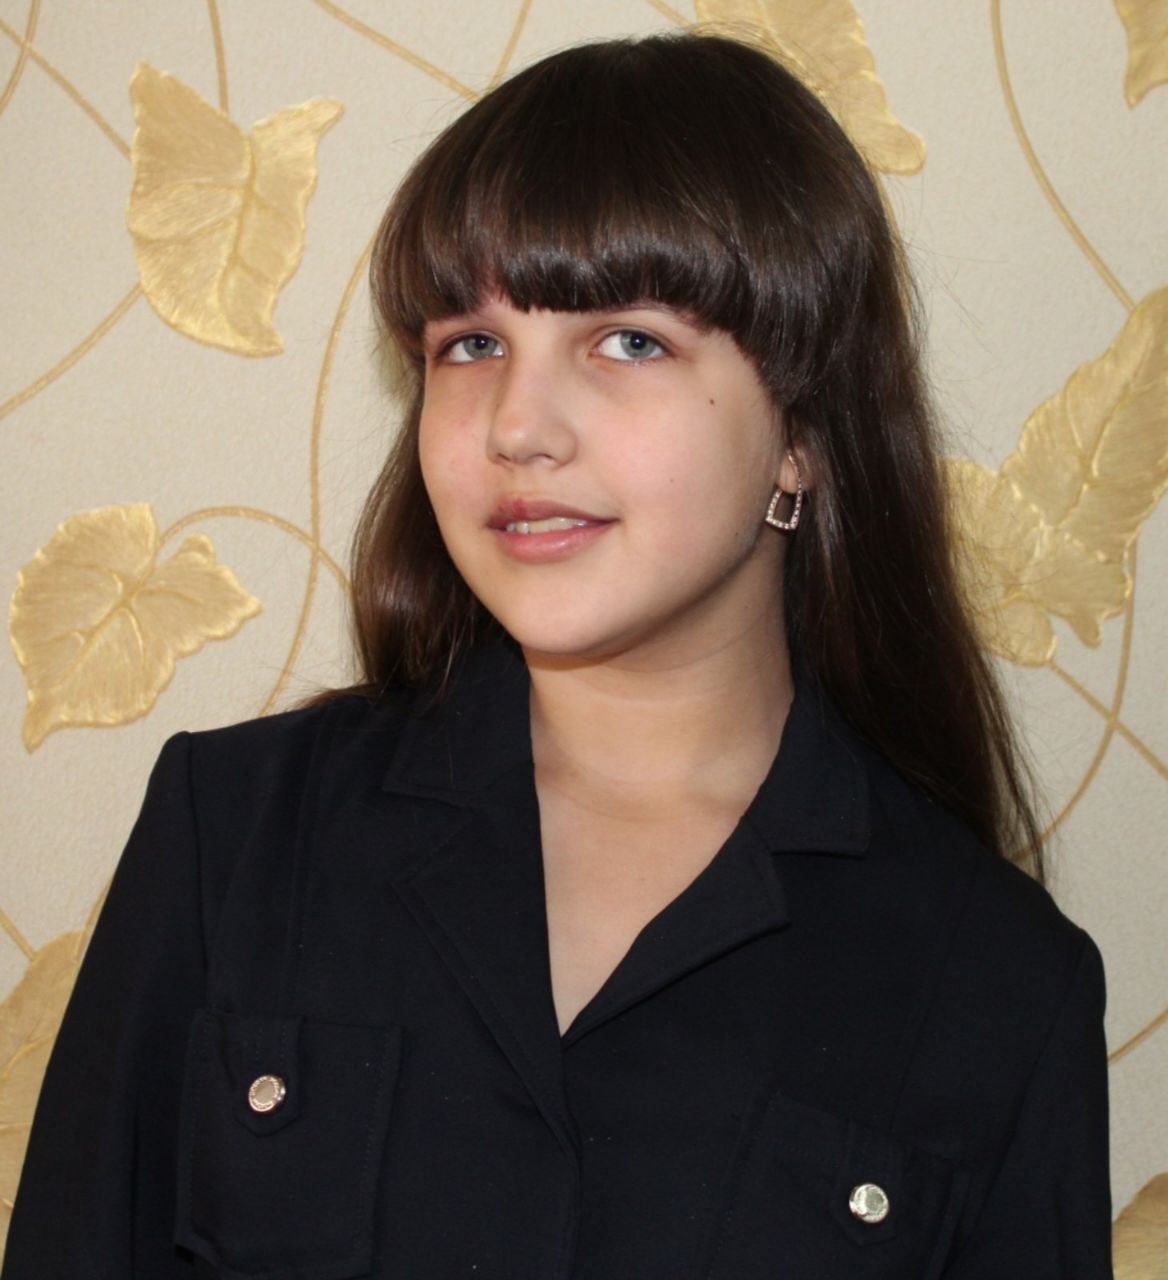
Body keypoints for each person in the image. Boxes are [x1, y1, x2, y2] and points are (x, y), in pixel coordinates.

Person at [3, 31, 1111, 1280]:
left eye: (629, 340)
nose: (516, 427)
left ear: (801, 432)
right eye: (469, 344)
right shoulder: (235, 833)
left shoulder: (1000, 984)